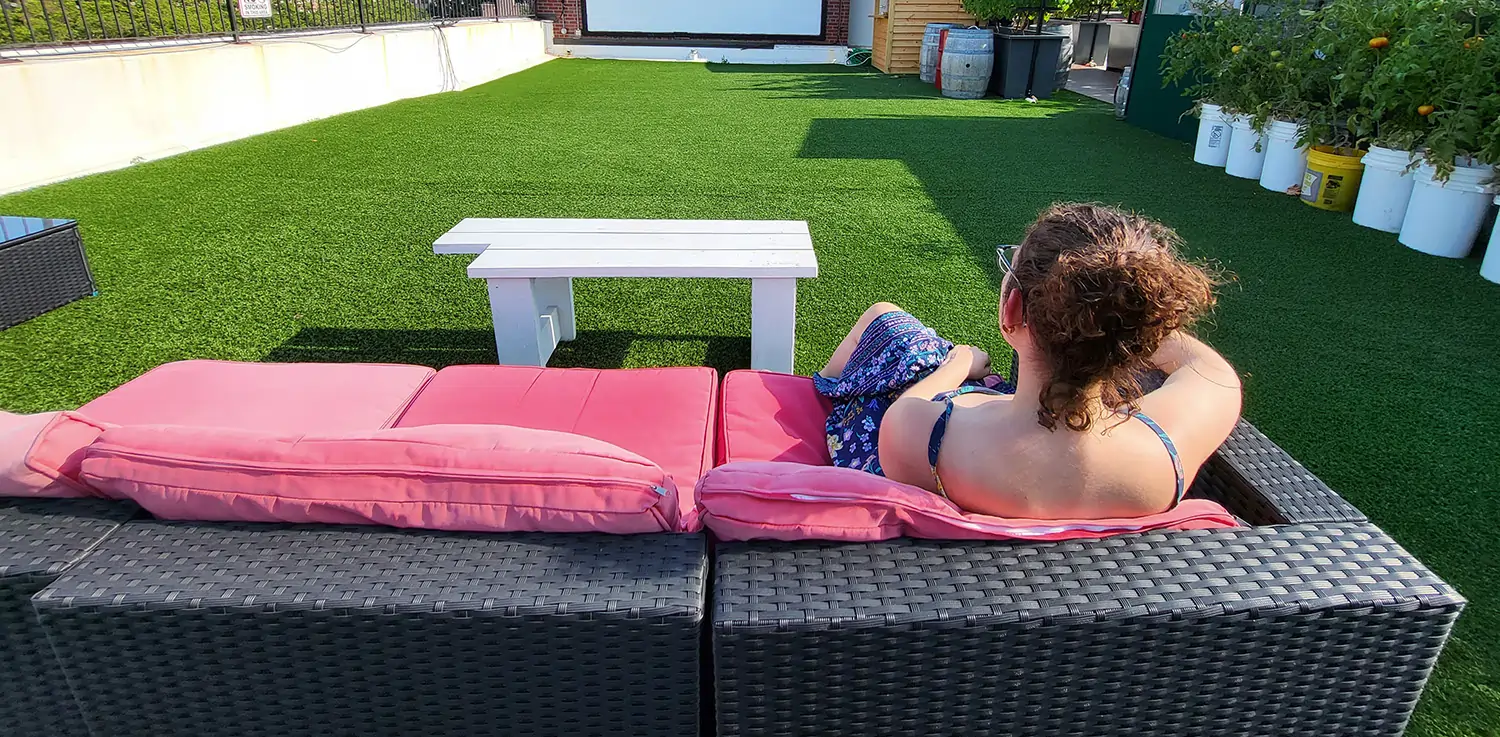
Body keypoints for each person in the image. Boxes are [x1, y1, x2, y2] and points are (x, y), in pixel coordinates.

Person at [815, 203, 1242, 519]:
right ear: (1145, 331)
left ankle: (825, 386)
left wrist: (960, 365)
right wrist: (1126, 319)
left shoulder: (920, 432)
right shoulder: (1164, 451)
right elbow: (1209, 371)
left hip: (941, 439)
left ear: (1012, 309)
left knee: (890, 326)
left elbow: (907, 406)